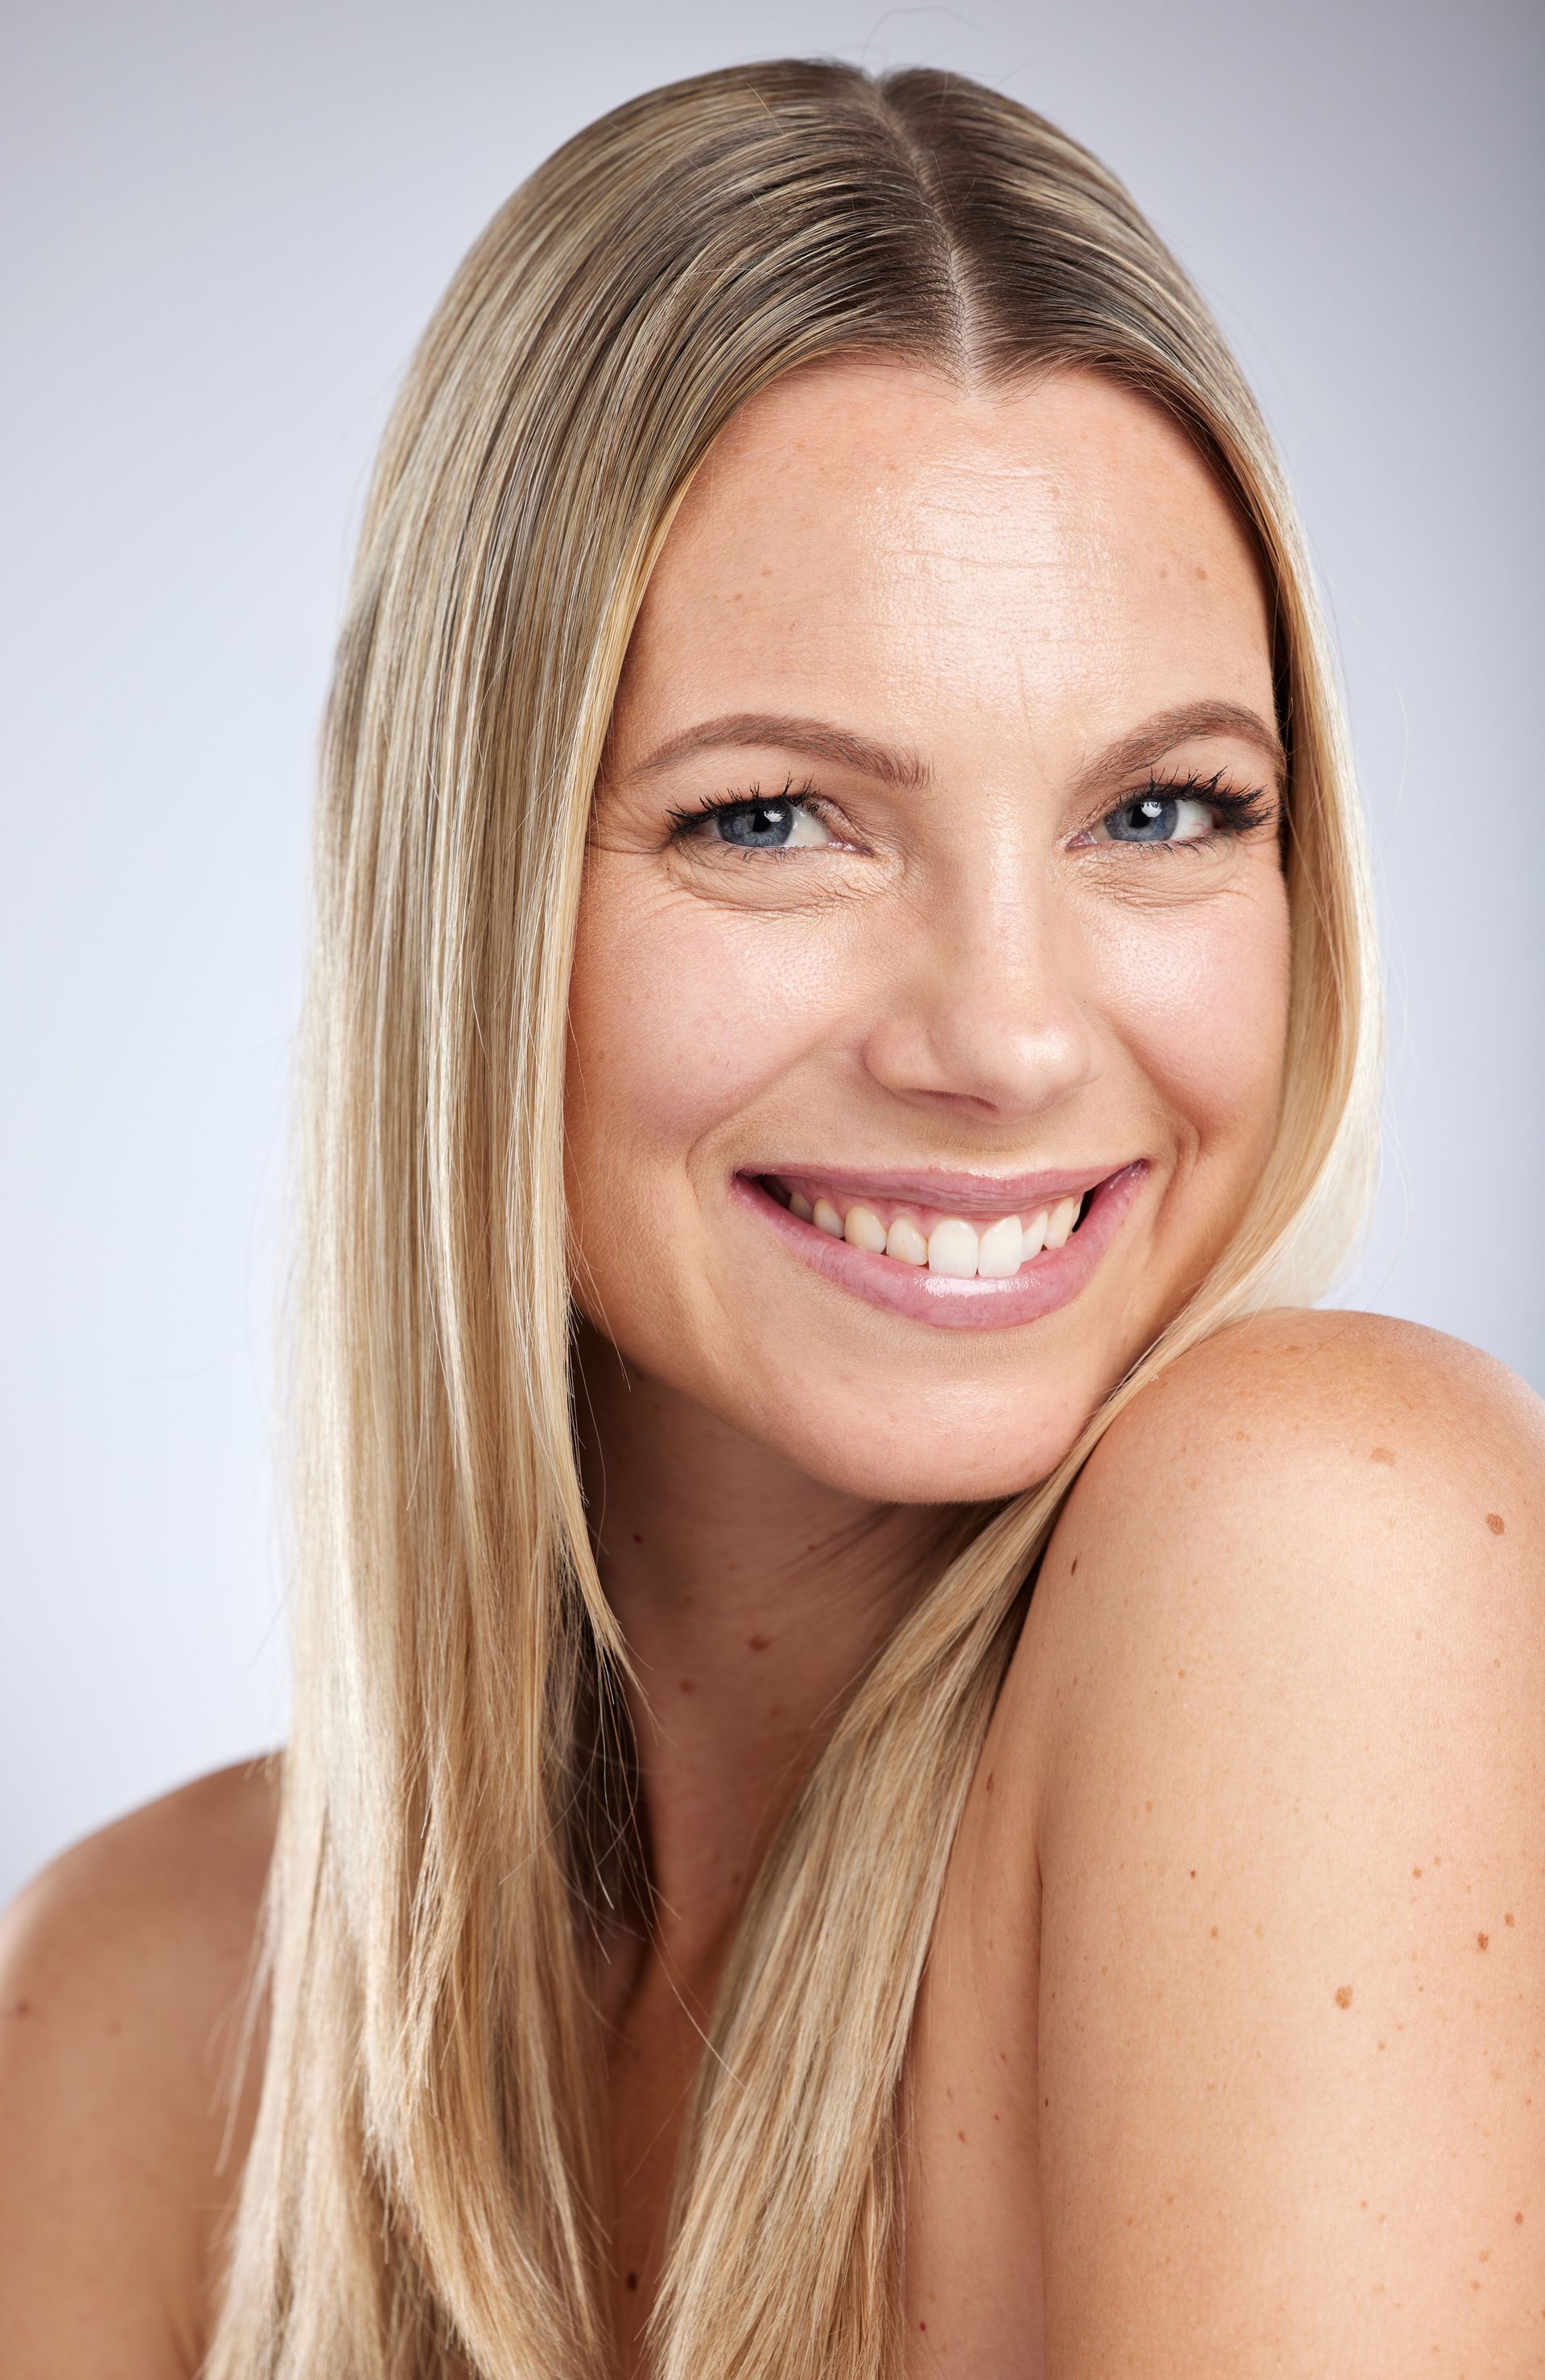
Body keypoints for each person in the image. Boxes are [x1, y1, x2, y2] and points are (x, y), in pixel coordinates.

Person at [2, 58, 1540, 2380]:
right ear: (467, 897)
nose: (1007, 1038)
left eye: (1164, 810)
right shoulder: (126, 1993)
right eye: (772, 824)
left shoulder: (1322, 1535)